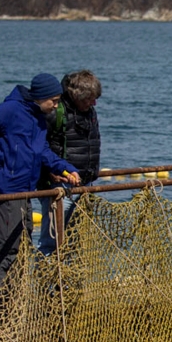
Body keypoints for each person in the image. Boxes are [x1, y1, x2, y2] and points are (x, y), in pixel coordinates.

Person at [0, 74, 81, 294]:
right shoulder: (10, 109)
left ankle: (16, 301)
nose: (56, 106)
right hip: (7, 190)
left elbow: (42, 152)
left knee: (22, 248)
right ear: (40, 97)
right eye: (54, 101)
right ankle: (1, 306)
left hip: (25, 191)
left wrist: (66, 169)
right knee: (7, 250)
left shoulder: (39, 118)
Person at [38, 70, 102, 256]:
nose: (94, 103)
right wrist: (50, 172)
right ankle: (46, 283)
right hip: (60, 186)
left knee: (77, 242)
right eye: (89, 99)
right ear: (76, 96)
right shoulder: (55, 113)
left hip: (84, 183)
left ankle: (69, 284)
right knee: (51, 241)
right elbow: (40, 146)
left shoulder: (90, 112)